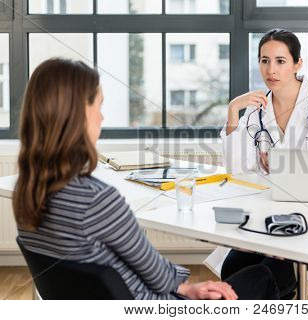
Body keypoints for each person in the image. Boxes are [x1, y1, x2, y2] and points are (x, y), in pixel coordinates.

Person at [12, 58, 280, 300]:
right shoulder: (97, 199)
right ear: (76, 115)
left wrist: (183, 285)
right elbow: (153, 270)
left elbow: (131, 265)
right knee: (263, 275)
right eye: (98, 105)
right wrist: (187, 288)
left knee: (241, 268)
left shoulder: (27, 194)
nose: (102, 116)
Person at [218, 29, 308, 299]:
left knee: (266, 273)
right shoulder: (255, 107)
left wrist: (275, 166)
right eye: (264, 60)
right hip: (266, 212)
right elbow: (236, 169)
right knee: (233, 264)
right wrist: (232, 110)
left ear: (298, 64)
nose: (270, 70)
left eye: (280, 61)